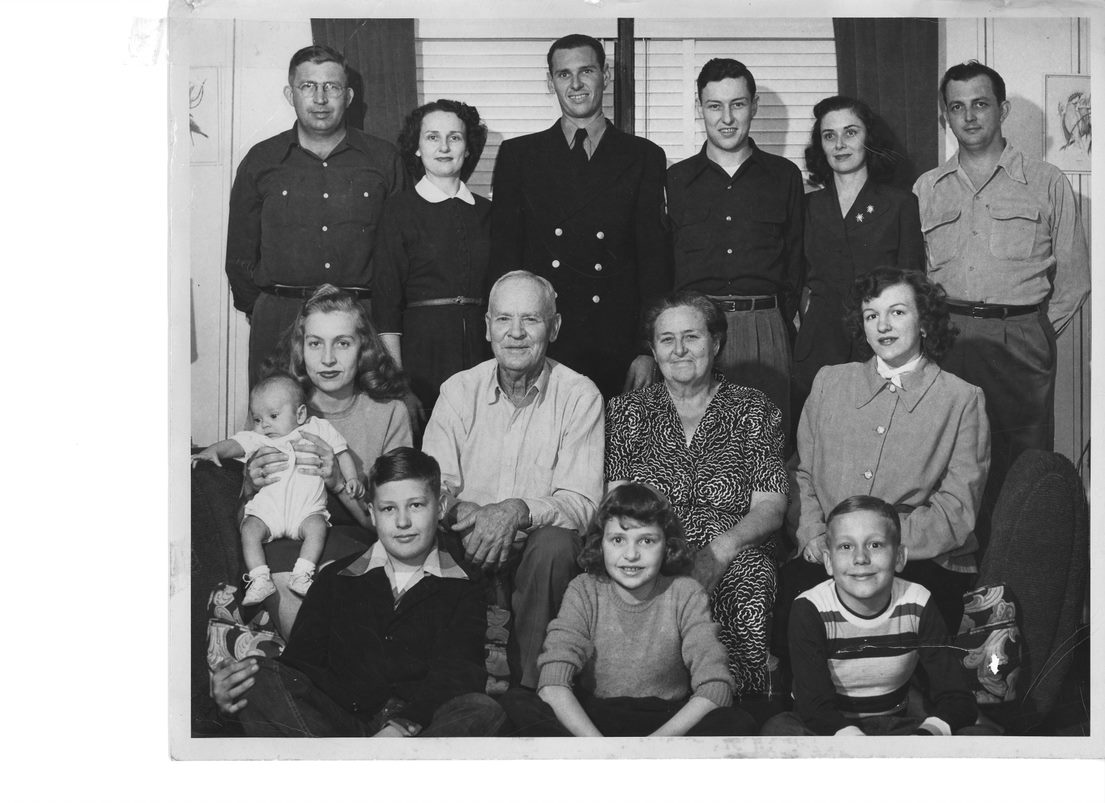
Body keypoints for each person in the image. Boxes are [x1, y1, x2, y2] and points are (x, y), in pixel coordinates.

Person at [210, 447, 506, 738]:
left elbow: (459, 672)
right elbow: (300, 668)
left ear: (440, 507)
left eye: (416, 505)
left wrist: (402, 727)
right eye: (389, 509)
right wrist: (233, 691)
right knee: (256, 676)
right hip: (340, 725)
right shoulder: (335, 577)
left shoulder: (463, 582)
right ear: (372, 514)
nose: (402, 522)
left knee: (482, 709)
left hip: (420, 724)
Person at [913, 60, 1089, 532]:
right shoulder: (926, 189)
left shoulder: (1048, 181)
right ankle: (959, 579)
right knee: (951, 459)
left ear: (1003, 109)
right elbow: (917, 278)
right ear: (944, 117)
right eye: (957, 107)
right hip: (948, 339)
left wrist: (1034, 332)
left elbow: (1074, 279)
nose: (969, 116)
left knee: (1024, 465)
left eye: (980, 104)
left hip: (1021, 338)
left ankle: (1020, 576)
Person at [421, 270, 604, 689]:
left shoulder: (580, 395)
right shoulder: (458, 390)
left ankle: (534, 688)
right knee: (426, 535)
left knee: (557, 545)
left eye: (531, 320)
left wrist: (517, 512)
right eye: (504, 319)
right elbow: (432, 486)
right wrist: (472, 515)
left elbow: (583, 502)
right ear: (487, 327)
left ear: (553, 327)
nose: (516, 333)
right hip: (464, 539)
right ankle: (449, 686)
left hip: (535, 546)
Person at [785, 268, 990, 635]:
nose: (883, 326)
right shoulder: (830, 382)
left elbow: (956, 510)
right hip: (830, 553)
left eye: (897, 312)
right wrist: (817, 536)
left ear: (924, 322)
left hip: (920, 558)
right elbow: (802, 475)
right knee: (792, 620)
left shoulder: (961, 399)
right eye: (871, 315)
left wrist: (876, 545)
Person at [605, 291, 790, 697]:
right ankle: (643, 702)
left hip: (732, 549)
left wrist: (721, 550)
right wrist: (657, 553)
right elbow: (616, 502)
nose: (679, 350)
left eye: (692, 337)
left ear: (716, 343)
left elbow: (771, 506)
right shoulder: (626, 412)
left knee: (750, 575)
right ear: (653, 350)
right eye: (667, 340)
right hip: (649, 547)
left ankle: (735, 707)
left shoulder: (753, 409)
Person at [488, 33, 671, 398]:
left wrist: (646, 349)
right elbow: (504, 262)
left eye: (586, 71)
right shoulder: (519, 156)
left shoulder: (643, 156)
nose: (575, 84)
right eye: (563, 74)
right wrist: (507, 349)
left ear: (604, 75)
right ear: (550, 81)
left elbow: (654, 262)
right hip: (545, 344)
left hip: (616, 343)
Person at [500, 483, 758, 736]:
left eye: (646, 540)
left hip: (666, 723)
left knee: (737, 722)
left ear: (667, 545)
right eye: (618, 540)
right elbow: (553, 683)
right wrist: (602, 752)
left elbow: (715, 687)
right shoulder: (584, 590)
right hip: (594, 720)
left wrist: (651, 749)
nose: (631, 554)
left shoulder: (686, 593)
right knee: (520, 706)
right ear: (601, 544)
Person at [225, 44, 408, 387]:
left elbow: (401, 254)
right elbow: (239, 256)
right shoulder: (261, 160)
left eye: (332, 87)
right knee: (278, 430)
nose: (320, 98)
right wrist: (267, 309)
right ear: (289, 93)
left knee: (363, 428)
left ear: (349, 96)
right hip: (279, 320)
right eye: (308, 86)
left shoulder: (384, 159)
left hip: (361, 321)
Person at [244, 284, 412, 633]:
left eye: (343, 343)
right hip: (279, 547)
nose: (328, 359)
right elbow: (243, 515)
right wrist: (248, 482)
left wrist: (337, 480)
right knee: (296, 608)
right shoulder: (274, 409)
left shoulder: (390, 414)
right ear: (300, 348)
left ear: (363, 347)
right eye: (315, 343)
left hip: (355, 547)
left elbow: (397, 525)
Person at [666, 58, 803, 440]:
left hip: (763, 328)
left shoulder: (784, 176)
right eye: (714, 106)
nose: (727, 118)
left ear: (754, 106)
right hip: (694, 331)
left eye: (738, 104)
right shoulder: (675, 181)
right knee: (695, 450)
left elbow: (795, 262)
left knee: (766, 450)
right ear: (700, 109)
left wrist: (773, 325)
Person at [762, 496, 978, 736]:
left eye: (875, 545)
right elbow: (814, 706)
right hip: (828, 728)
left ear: (899, 558)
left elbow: (956, 696)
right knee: (777, 729)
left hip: (894, 726)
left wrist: (925, 736)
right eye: (846, 546)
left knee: (979, 736)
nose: (861, 558)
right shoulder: (810, 608)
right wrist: (857, 745)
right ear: (828, 562)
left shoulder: (918, 601)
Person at [793, 95, 924, 405]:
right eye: (829, 136)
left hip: (883, 342)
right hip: (819, 346)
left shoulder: (900, 204)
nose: (840, 144)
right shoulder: (807, 206)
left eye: (850, 132)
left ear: (869, 138)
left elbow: (913, 284)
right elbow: (796, 283)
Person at [192, 373, 363, 603]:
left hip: (305, 512)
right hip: (268, 513)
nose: (265, 425)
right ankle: (259, 578)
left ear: (300, 413)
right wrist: (214, 450)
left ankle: (302, 573)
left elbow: (341, 453)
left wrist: (351, 478)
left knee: (317, 527)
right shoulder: (260, 439)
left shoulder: (317, 428)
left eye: (273, 416)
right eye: (258, 419)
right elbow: (235, 443)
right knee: (250, 530)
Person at [375, 99, 492, 423]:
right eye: (432, 137)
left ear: (468, 148)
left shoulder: (487, 212)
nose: (444, 147)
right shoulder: (398, 210)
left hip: (482, 355)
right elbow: (386, 305)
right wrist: (399, 384)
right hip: (421, 355)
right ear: (416, 147)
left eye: (454, 137)